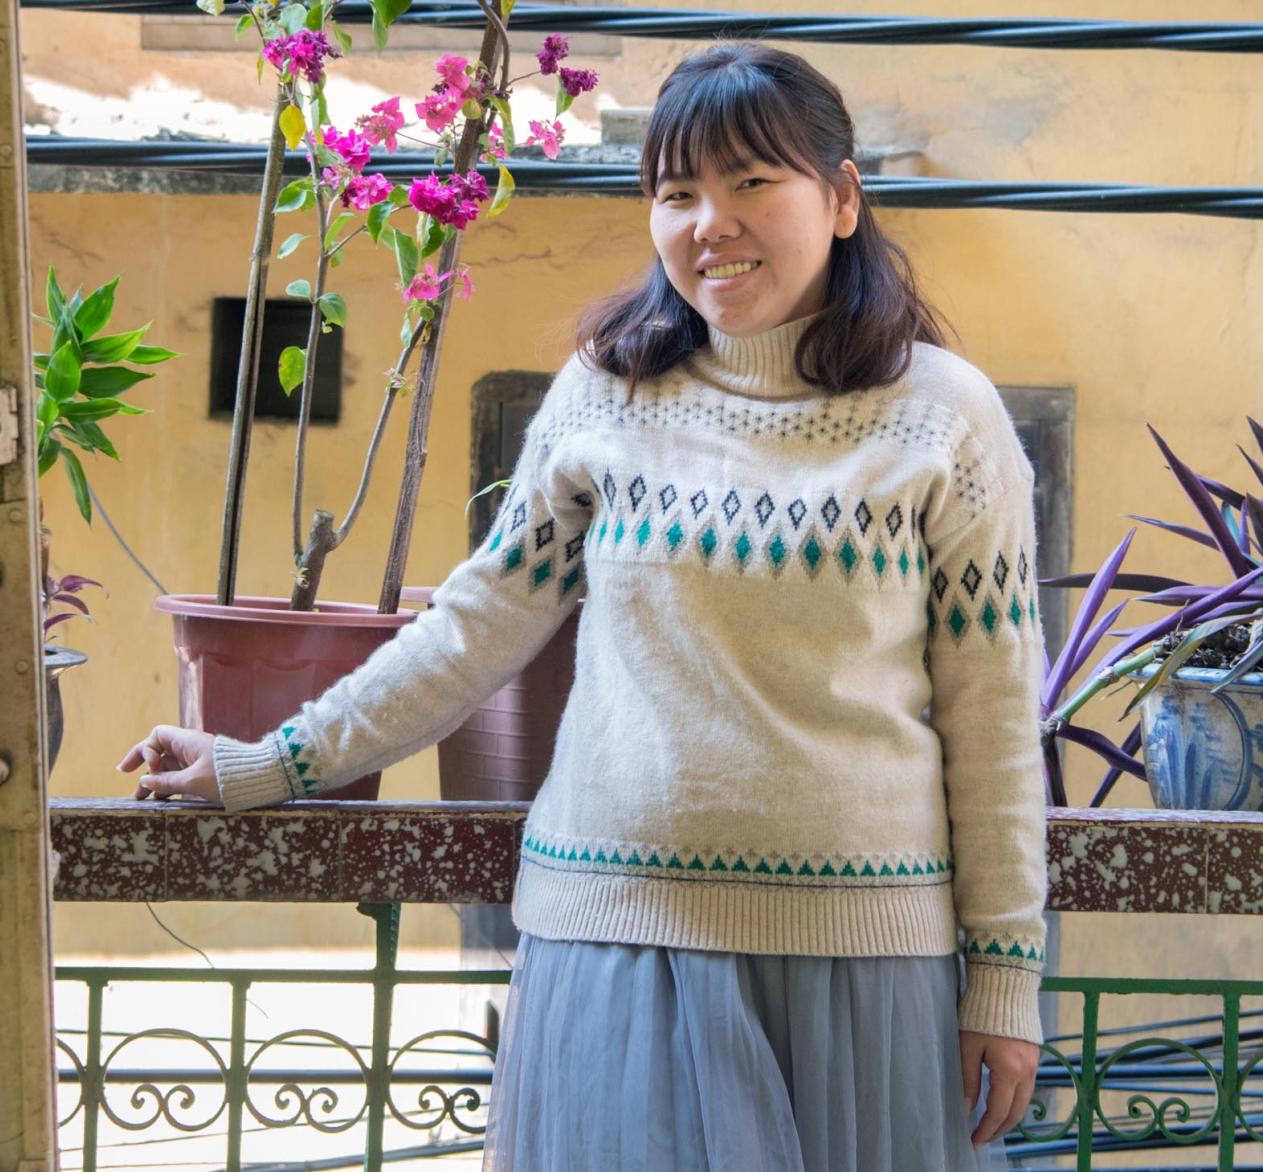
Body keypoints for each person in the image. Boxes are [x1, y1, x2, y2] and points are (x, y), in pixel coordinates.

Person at [119, 42, 1047, 1172]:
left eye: (753, 181)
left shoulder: (945, 416)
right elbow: (474, 630)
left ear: (843, 197)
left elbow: (994, 709)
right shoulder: (606, 392)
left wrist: (1004, 971)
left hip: (862, 963)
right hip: (614, 944)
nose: (712, 221)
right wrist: (267, 761)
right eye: (675, 193)